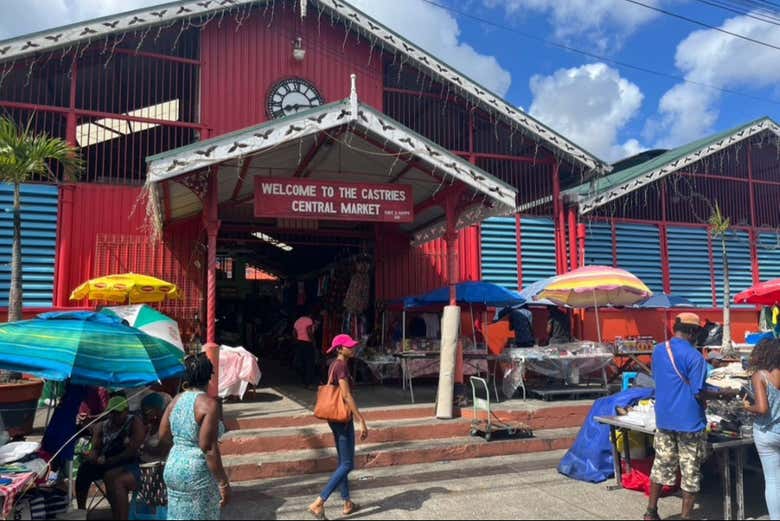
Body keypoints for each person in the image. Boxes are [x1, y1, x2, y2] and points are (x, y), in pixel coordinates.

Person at [645, 313, 736, 521]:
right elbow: (699, 391)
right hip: (689, 422)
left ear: (676, 328)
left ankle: (651, 512)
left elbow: (661, 379)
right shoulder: (695, 357)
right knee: (690, 471)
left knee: (661, 464)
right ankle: (685, 516)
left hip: (664, 419)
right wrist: (724, 393)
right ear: (693, 332)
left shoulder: (658, 350)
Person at [160, 354, 230, 520]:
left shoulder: (175, 400)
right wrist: (223, 483)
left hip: (173, 467)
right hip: (196, 472)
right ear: (209, 376)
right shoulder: (209, 404)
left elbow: (162, 435)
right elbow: (208, 447)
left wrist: (182, 446)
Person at [308, 335, 368, 520]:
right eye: (349, 346)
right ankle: (319, 502)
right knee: (348, 464)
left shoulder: (335, 364)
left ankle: (347, 502)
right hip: (342, 419)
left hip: (336, 418)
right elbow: (346, 396)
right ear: (340, 349)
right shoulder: (341, 366)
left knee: (344, 461)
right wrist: (361, 420)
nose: (353, 349)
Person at [76, 395, 145, 521]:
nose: (114, 416)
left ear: (126, 411)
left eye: (118, 413)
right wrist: (93, 458)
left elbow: (132, 450)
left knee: (111, 475)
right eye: (111, 413)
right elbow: (95, 449)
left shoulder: (134, 422)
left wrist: (113, 460)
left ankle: (118, 514)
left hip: (127, 461)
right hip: (105, 460)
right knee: (84, 469)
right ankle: (81, 510)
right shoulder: (101, 426)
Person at [744, 339, 780, 520]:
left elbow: (762, 408)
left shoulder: (760, 376)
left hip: (767, 433)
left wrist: (747, 406)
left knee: (773, 480)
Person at [294, 307, 319, 388]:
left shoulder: (297, 321)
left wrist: (297, 339)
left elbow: (294, 332)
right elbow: (309, 331)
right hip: (307, 343)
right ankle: (308, 383)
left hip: (299, 343)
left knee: (301, 362)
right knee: (309, 363)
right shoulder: (309, 320)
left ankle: (304, 381)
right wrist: (313, 341)